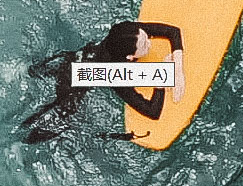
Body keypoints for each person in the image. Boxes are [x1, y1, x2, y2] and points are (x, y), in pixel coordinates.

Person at [19, 21, 185, 143]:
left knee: (46, 70)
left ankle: (27, 71)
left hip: (72, 60)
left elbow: (173, 31)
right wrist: (161, 77)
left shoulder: (125, 33)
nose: (149, 41)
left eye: (145, 36)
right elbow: (152, 112)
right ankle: (21, 142)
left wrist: (177, 68)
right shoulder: (115, 75)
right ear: (130, 57)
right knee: (60, 117)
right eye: (144, 43)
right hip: (75, 82)